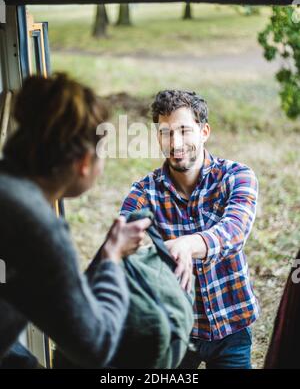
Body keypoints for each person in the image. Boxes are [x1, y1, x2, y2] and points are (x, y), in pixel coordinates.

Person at [0, 73, 151, 369]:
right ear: (84, 162)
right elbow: (96, 345)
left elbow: (22, 297)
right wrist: (112, 257)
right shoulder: (35, 225)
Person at [120, 89, 259, 369]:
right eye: (166, 132)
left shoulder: (237, 176)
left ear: (204, 131)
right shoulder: (144, 192)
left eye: (184, 130)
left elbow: (235, 230)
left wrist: (187, 244)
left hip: (232, 325)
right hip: (176, 331)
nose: (176, 142)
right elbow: (119, 246)